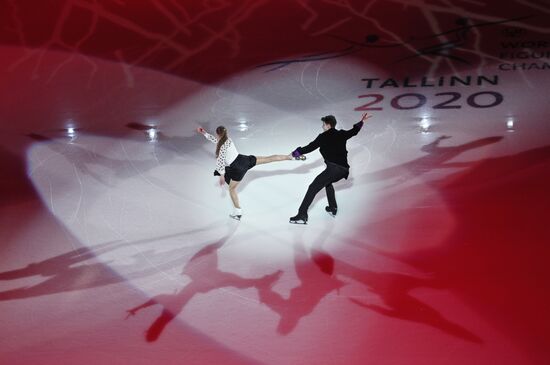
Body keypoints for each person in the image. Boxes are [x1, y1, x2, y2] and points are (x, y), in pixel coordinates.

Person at [197, 125, 305, 220]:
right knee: (268, 159)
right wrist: (204, 133)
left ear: (218, 134)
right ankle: (290, 157)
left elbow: (220, 162)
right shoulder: (228, 139)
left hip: (238, 167)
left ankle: (238, 212)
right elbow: (217, 141)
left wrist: (221, 176)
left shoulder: (221, 148)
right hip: (244, 159)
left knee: (232, 189)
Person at [289, 112, 371, 224]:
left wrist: (296, 152)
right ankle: (333, 207)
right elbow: (354, 131)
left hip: (334, 169)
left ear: (328, 125)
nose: (322, 127)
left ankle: (302, 214)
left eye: (323, 124)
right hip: (344, 170)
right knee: (327, 183)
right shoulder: (341, 134)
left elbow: (310, 147)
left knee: (313, 187)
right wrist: (362, 122)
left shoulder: (323, 137)